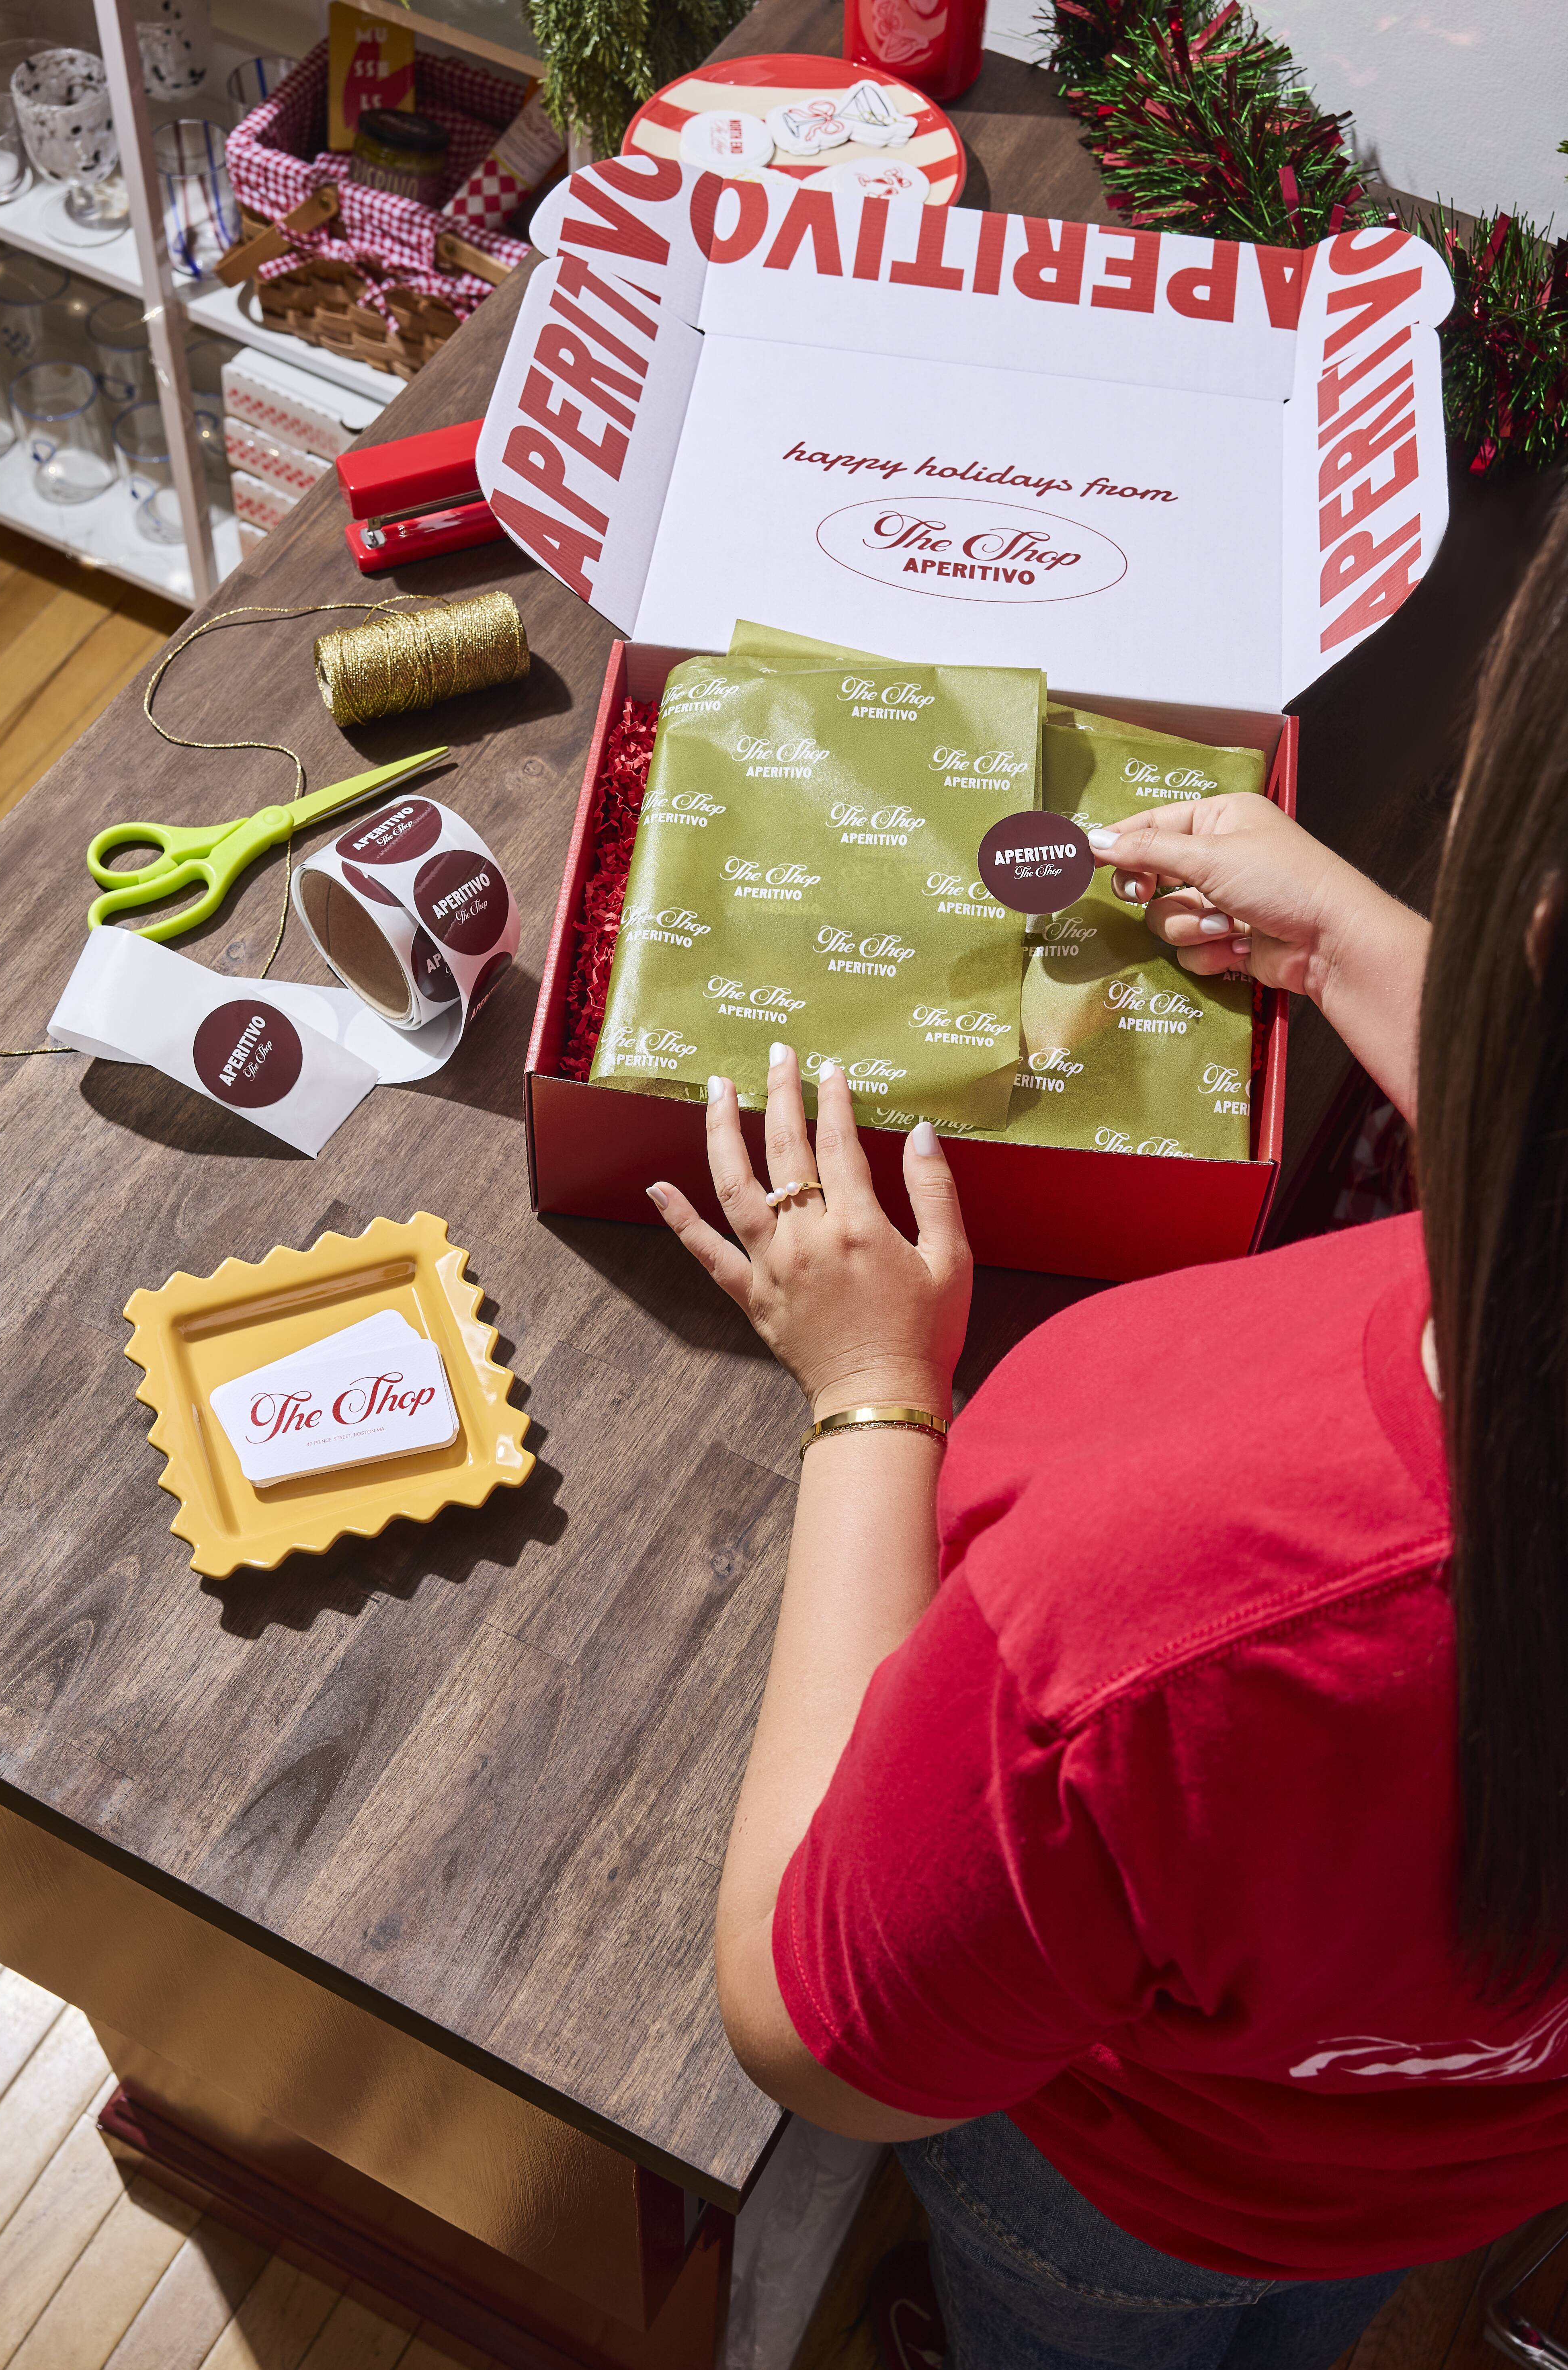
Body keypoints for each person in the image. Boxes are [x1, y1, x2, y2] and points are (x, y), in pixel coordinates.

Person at [645, 495, 1568, 2370]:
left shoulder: (1159, 1613)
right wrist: (1386, 963)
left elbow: (805, 2026)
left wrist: (872, 1393)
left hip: (1122, 2200)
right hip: (1458, 2170)